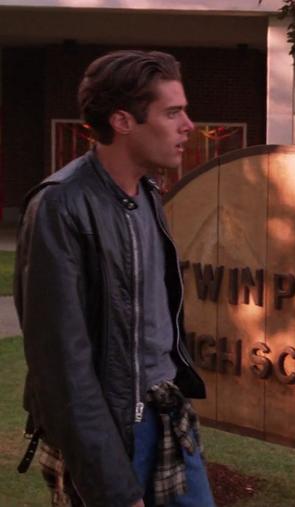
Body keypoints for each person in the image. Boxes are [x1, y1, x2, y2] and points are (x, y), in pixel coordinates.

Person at [14, 50, 212, 506]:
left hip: (167, 419)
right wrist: (112, 487)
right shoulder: (61, 206)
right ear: (123, 121)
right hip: (112, 434)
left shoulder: (147, 192)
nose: (189, 126)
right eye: (173, 112)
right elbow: (61, 365)